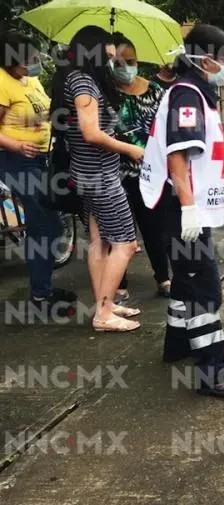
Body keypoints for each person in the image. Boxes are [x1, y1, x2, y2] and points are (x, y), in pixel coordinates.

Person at [140, 24, 224, 398]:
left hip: (187, 206)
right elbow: (177, 157)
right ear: (205, 59)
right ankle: (211, 372)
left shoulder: (198, 92)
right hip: (180, 207)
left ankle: (176, 345)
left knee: (187, 278)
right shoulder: (187, 94)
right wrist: (188, 209)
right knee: (204, 286)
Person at [50, 26, 143, 331]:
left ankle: (106, 303)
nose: (112, 62)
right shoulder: (83, 82)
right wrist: (130, 149)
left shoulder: (75, 78)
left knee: (99, 242)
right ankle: (103, 314)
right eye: (109, 55)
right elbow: (90, 133)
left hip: (89, 171)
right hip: (100, 175)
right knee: (126, 244)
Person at [0, 31, 76, 316]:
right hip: (16, 160)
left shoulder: (30, 80)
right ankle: (41, 295)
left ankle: (42, 289)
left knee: (48, 225)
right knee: (44, 224)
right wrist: (17, 145)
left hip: (42, 158)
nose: (35, 61)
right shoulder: (2, 82)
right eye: (29, 58)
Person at [110, 33, 171, 300]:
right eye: (118, 63)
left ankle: (163, 277)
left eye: (130, 61)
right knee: (119, 230)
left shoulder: (156, 91)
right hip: (114, 172)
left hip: (150, 172)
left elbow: (168, 128)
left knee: (155, 227)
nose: (125, 67)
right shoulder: (103, 93)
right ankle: (118, 283)